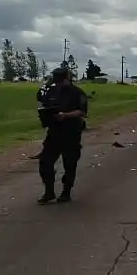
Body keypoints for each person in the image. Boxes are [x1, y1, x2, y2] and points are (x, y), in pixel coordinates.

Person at [37, 67, 88, 204]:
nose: (58, 82)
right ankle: (49, 192)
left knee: (69, 163)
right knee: (45, 162)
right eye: (56, 79)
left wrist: (65, 115)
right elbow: (42, 100)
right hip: (54, 132)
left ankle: (66, 192)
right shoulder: (51, 91)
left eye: (60, 79)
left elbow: (82, 112)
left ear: (68, 77)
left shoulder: (77, 92)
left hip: (71, 132)